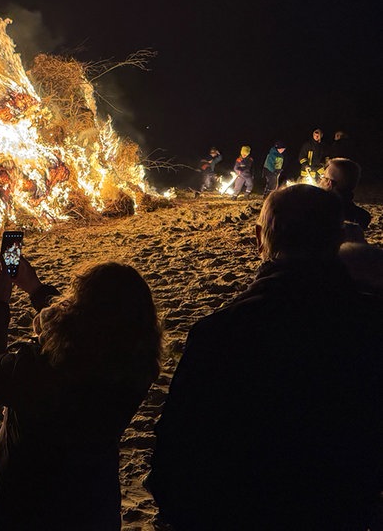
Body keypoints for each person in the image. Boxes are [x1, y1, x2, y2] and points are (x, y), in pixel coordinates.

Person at [148, 184, 383, 530]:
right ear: (339, 240)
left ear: (260, 237)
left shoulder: (220, 333)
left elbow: (175, 459)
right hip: (341, 512)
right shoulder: (371, 326)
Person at [0, 257, 162, 530]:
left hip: (24, 508)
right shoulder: (137, 364)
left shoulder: (45, 368)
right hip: (92, 506)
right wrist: (36, 290)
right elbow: (89, 321)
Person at [320, 157, 372, 231]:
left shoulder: (318, 212)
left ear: (329, 183)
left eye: (323, 177)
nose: (320, 180)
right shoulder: (363, 216)